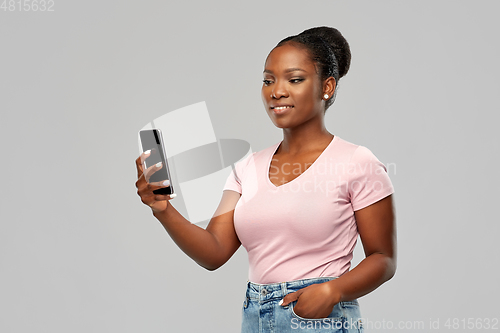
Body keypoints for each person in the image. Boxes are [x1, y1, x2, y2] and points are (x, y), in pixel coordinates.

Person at [135, 26, 396, 333]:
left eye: (294, 79)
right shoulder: (247, 167)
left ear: (327, 87)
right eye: (268, 80)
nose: (276, 91)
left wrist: (333, 291)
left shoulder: (357, 162)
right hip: (256, 317)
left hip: (318, 318)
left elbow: (383, 258)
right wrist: (162, 208)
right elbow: (214, 251)